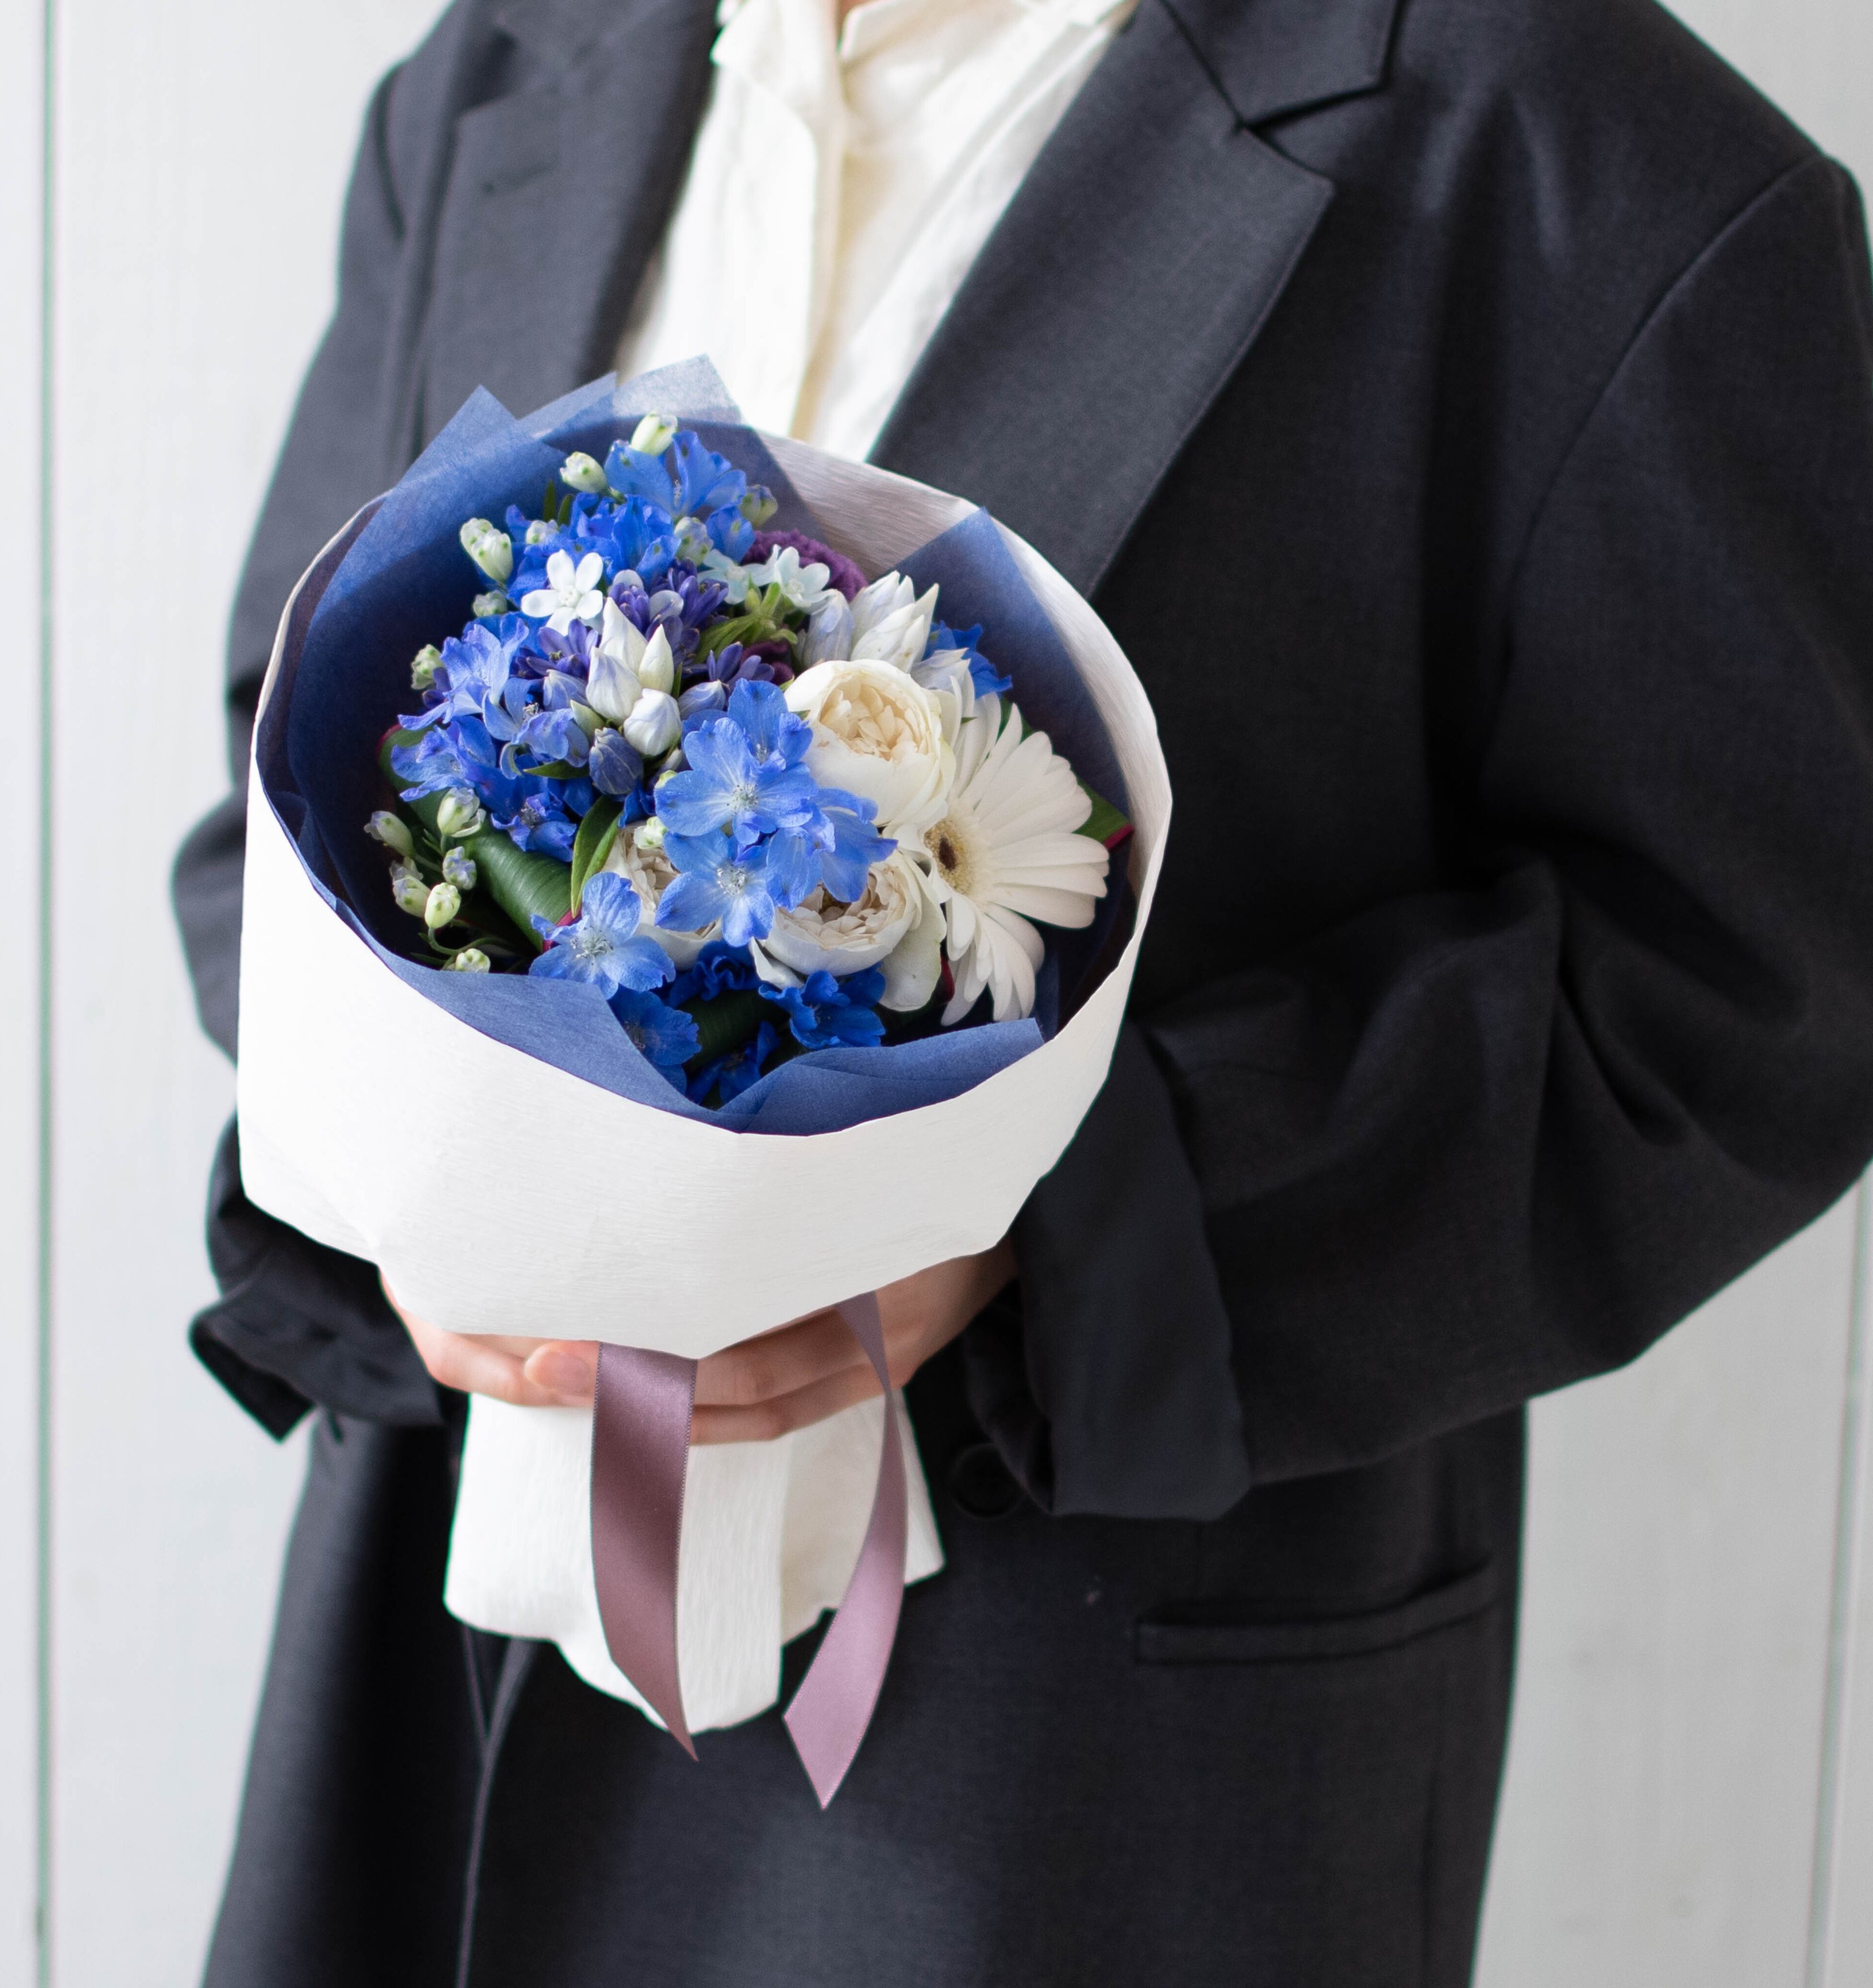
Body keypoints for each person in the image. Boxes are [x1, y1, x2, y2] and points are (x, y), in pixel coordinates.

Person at [171, 0, 1873, 1979]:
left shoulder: (1590, 167)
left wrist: (1057, 1237)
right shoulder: (515, 61)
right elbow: (282, 781)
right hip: (430, 1642)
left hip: (1070, 1764)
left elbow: (1758, 986)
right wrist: (411, 1173)